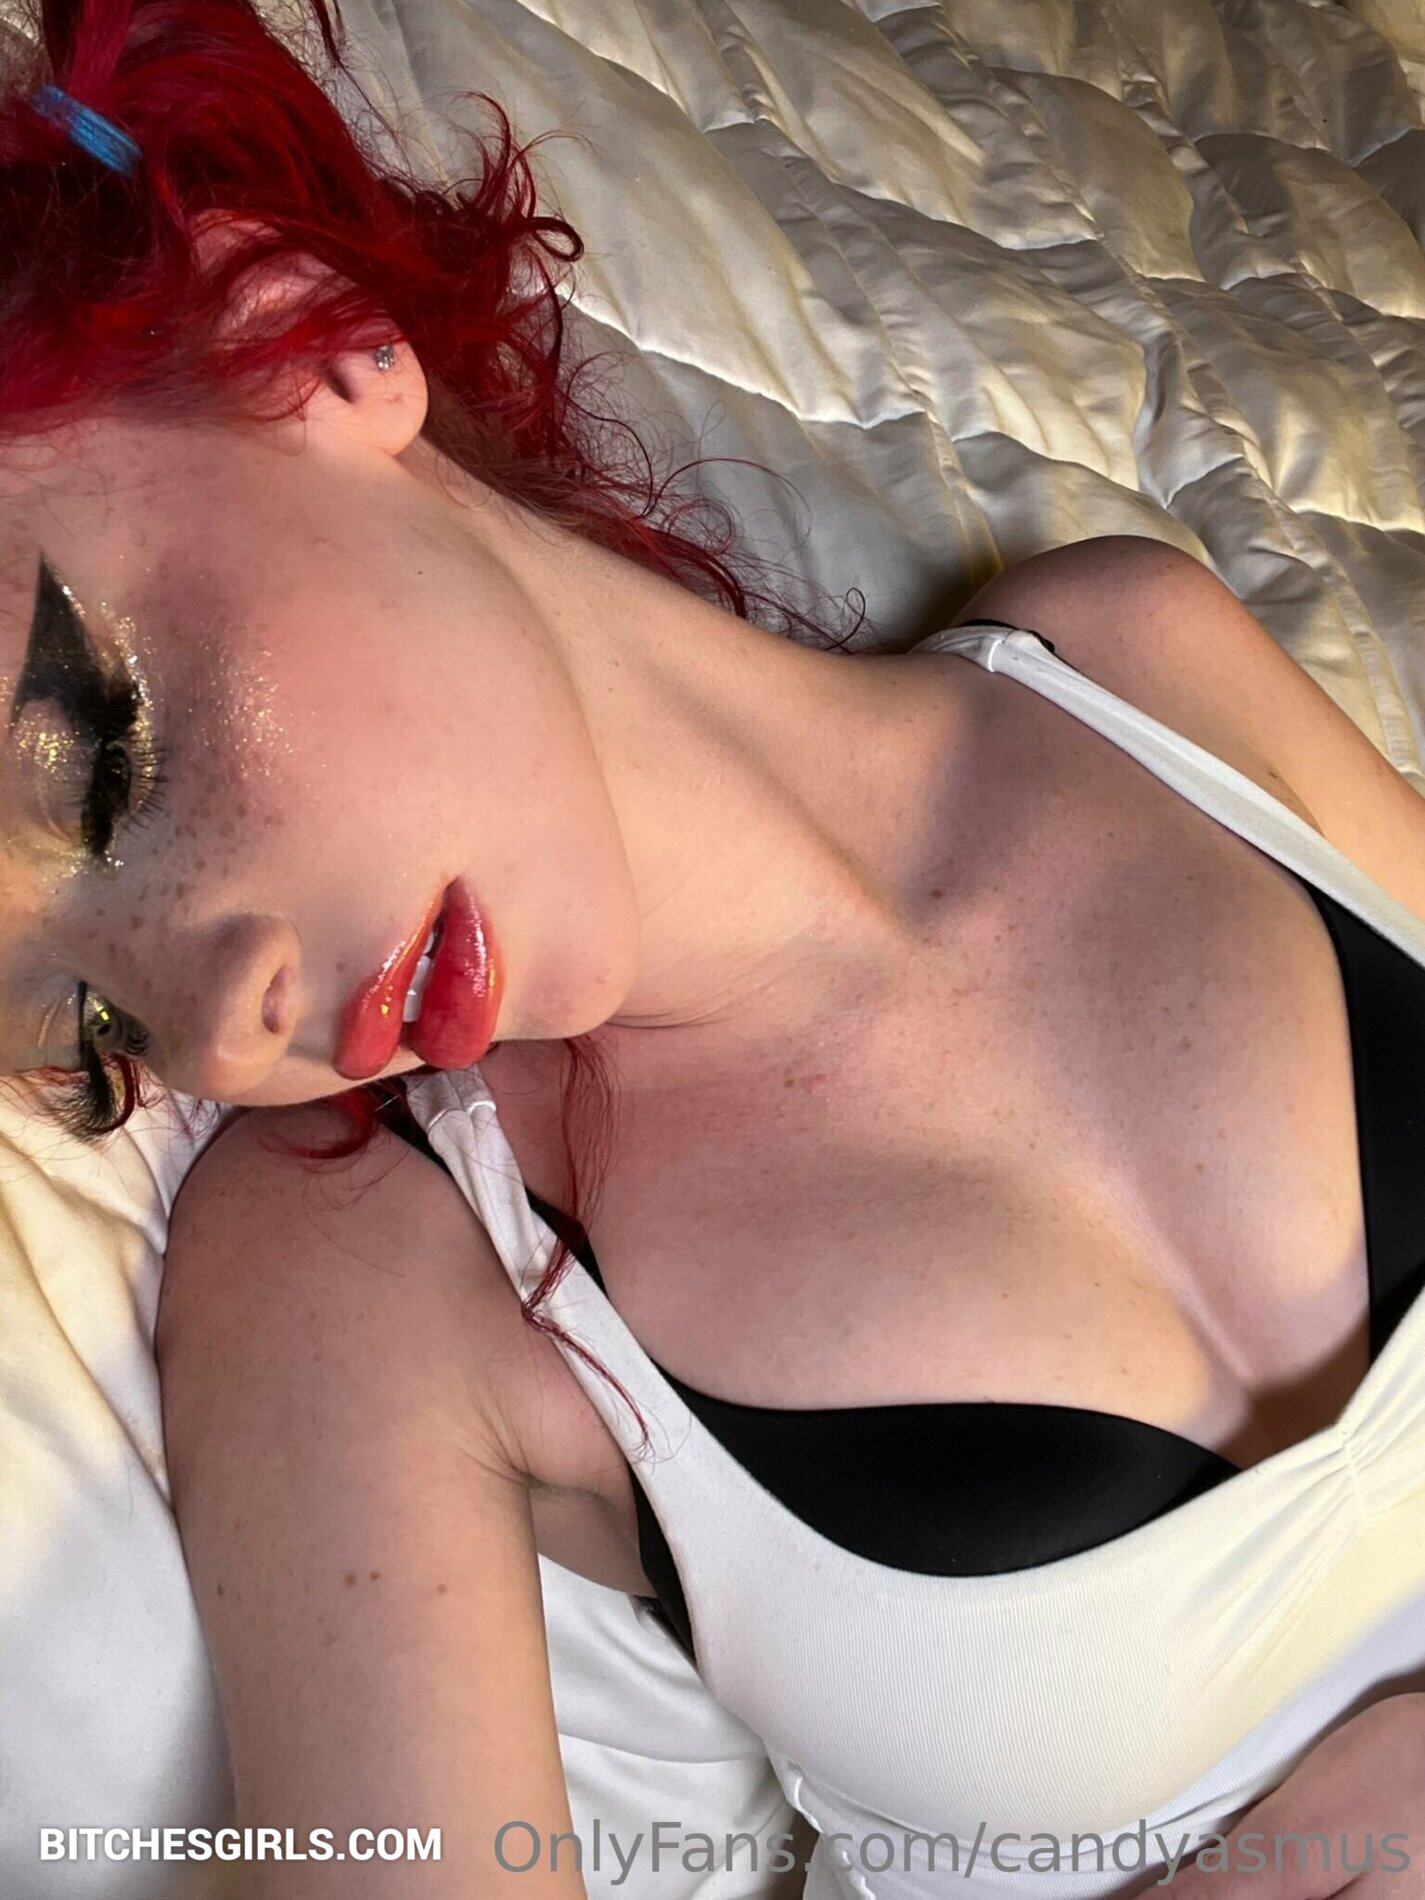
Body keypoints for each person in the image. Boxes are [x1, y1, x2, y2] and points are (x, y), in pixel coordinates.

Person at [2, 3, 1423, 1897]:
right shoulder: (363, 1261)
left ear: (308, 343)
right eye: (96, 1028)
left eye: (102, 762)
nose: (218, 1018)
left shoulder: (1137, 663)